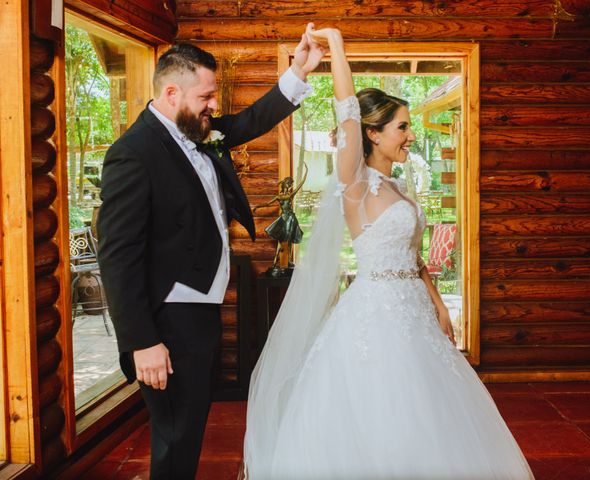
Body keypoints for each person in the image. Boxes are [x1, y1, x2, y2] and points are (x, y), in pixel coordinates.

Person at [242, 27, 535, 479]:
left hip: (415, 311)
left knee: (433, 412)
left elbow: (415, 259)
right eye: (402, 126)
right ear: (373, 134)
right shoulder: (355, 184)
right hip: (373, 315)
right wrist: (337, 47)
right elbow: (346, 112)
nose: (411, 135)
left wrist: (439, 305)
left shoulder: (399, 187)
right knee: (383, 410)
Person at [96, 27, 324, 479]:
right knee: (176, 435)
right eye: (207, 96)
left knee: (187, 429)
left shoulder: (193, 127)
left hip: (198, 310)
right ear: (171, 91)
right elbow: (117, 255)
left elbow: (246, 122)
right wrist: (142, 341)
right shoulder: (133, 153)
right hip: (168, 318)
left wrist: (297, 70)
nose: (214, 106)